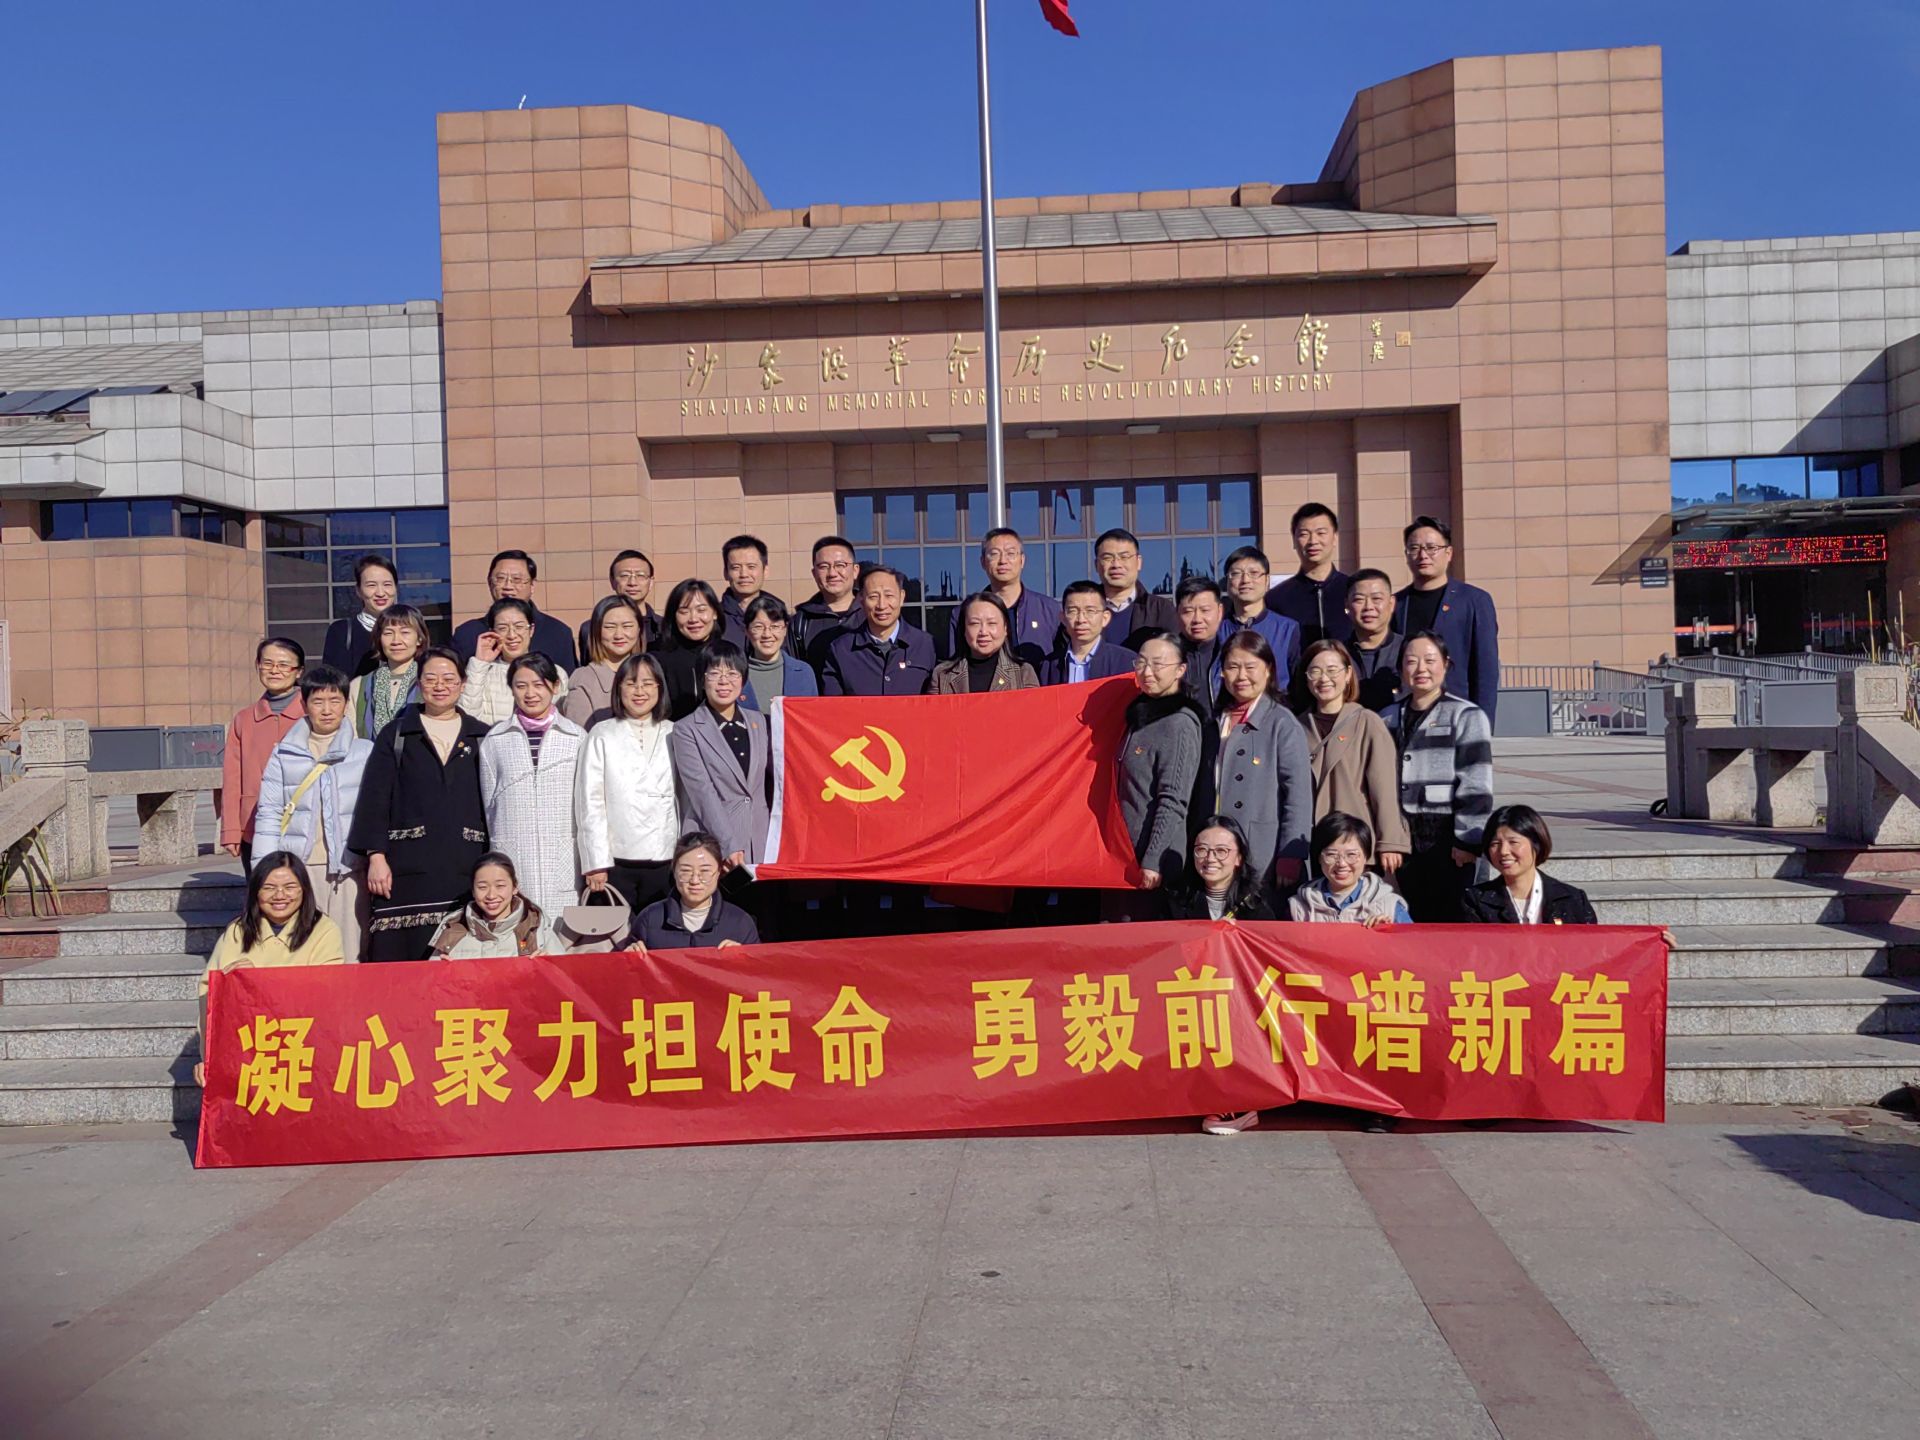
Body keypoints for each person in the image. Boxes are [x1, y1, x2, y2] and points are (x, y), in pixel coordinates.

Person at [347, 645, 491, 962]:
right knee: (402, 959)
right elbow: (375, 797)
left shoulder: (482, 736)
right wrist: (376, 856)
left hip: (466, 861)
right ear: (419, 683)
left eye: (449, 679)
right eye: (431, 678)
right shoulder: (397, 734)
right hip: (405, 866)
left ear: (463, 684)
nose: (440, 686)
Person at [252, 663, 372, 962]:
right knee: (303, 951)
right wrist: (263, 871)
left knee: (351, 951)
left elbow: (377, 812)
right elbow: (269, 814)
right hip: (300, 868)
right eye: (318, 702)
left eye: (335, 701)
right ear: (304, 705)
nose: (327, 710)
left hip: (350, 869)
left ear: (346, 704)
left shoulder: (365, 752)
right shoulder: (284, 754)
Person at [195, 852, 347, 1086]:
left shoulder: (324, 930)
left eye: (290, 887)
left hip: (305, 1049)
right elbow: (209, 996)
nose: (280, 895)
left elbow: (329, 992)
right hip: (250, 1050)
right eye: (269, 888)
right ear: (256, 892)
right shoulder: (237, 931)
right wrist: (209, 1058)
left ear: (304, 890)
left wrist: (259, 982)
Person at [1382, 632, 1495, 922]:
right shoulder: (1386, 717)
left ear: (1445, 664)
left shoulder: (1466, 715)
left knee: (1451, 921)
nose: (1421, 668)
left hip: (1448, 838)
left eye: (1430, 660)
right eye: (1411, 661)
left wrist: (1468, 840)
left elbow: (1476, 782)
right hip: (1402, 838)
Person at [1192, 631, 1312, 885]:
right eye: (1232, 667)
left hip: (1262, 851)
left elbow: (1298, 795)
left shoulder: (1282, 723)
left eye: (1250, 667)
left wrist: (1292, 853)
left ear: (1268, 670)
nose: (1241, 676)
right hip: (1214, 852)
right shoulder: (1214, 722)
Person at [477, 654, 588, 922]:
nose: (530, 693)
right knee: (518, 930)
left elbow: (587, 804)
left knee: (562, 935)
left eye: (538, 684)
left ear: (555, 686)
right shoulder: (496, 739)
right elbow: (490, 805)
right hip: (514, 851)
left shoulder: (576, 737)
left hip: (563, 856)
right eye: (521, 685)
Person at [575, 653, 679, 912]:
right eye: (631, 683)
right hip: (616, 860)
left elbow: (686, 797)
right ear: (618, 688)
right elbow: (590, 799)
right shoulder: (602, 733)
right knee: (617, 932)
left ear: (660, 688)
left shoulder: (675, 732)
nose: (639, 691)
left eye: (647, 683)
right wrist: (595, 861)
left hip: (665, 854)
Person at [1298, 640, 1411, 875]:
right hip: (1312, 845)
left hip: (1354, 844)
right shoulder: (1296, 726)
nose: (1324, 679)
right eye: (1315, 671)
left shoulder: (1366, 721)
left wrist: (1389, 841)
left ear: (1348, 674)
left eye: (1332, 670)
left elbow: (1384, 789)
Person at [669, 642, 772, 873]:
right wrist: (728, 844)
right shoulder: (686, 729)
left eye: (732, 673)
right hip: (714, 845)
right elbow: (702, 792)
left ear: (743, 679)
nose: (724, 681)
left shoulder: (758, 721)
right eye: (714, 673)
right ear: (702, 679)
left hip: (760, 840)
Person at [1118, 633, 1206, 891]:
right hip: (1123, 851)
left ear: (1180, 670)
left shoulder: (1179, 724)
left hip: (1150, 861)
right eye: (1141, 663)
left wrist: (1153, 859)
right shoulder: (1138, 715)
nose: (1147, 672)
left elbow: (1174, 799)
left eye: (1158, 664)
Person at [1393, 516, 1501, 724]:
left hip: (1458, 715)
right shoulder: (1397, 603)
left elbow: (1486, 670)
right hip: (1409, 715)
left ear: (1448, 553)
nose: (1423, 555)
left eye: (1431, 548)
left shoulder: (1474, 600)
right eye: (1414, 548)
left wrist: (1482, 724)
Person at [218, 637, 306, 871]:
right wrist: (231, 830)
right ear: (258, 666)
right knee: (261, 886)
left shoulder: (313, 713)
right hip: (255, 823)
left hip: (304, 823)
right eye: (267, 664)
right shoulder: (244, 719)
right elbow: (232, 779)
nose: (274, 670)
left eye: (284, 665)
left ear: (299, 671)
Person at [1461, 805, 1600, 925]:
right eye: (1495, 844)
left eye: (1513, 842)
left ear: (1536, 844)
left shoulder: (1571, 899)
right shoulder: (1475, 901)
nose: (1503, 851)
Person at [624, 832, 762, 950]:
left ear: (719, 871)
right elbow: (628, 969)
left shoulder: (740, 923)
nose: (695, 880)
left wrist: (744, 958)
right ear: (674, 871)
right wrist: (629, 957)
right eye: (686, 871)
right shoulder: (650, 919)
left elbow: (759, 969)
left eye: (705, 871)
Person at [951, 528, 1062, 667]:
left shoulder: (1049, 610)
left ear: (1022, 560)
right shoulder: (963, 613)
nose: (1003, 561)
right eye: (994, 554)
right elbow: (955, 666)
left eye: (1010, 553)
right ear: (983, 562)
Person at [452, 549, 577, 669]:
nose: (508, 586)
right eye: (500, 579)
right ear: (490, 583)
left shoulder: (558, 632)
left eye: (517, 579)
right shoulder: (467, 633)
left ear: (532, 585)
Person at [821, 565, 936, 697]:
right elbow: (832, 706)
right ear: (861, 599)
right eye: (873, 597)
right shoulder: (841, 650)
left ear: (901, 597)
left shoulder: (925, 645)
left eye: (889, 595)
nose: (882, 605)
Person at [428, 852, 560, 959]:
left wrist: (549, 966)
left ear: (514, 887)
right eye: (482, 887)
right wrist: (443, 972)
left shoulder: (535, 929)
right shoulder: (454, 931)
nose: (491, 895)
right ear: (473, 891)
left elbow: (565, 979)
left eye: (500, 886)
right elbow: (431, 981)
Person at [1289, 811, 1413, 925]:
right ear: (1319, 858)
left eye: (1351, 855)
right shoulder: (1299, 908)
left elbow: (1411, 939)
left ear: (1366, 857)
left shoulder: (1389, 906)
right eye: (1331, 854)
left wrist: (1390, 932)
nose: (1342, 863)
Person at [460, 597, 569, 726]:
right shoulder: (482, 671)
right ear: (492, 632)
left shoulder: (554, 671)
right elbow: (468, 718)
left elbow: (564, 719)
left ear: (531, 630)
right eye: (503, 628)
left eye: (519, 627)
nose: (512, 635)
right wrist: (479, 664)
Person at [1267, 503, 1353, 647]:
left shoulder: (1352, 591)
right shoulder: (1276, 599)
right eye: (1304, 534)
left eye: (1321, 533)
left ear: (1335, 538)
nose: (1313, 541)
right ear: (1294, 540)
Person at [1164, 815, 1279, 922]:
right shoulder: (1175, 901)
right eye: (1202, 849)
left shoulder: (1256, 908)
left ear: (1239, 858)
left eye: (1221, 851)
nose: (1210, 858)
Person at [1220, 546, 1302, 691]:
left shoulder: (1287, 629)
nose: (1245, 580)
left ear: (1267, 581)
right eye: (1236, 573)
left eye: (1254, 573)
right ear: (1227, 582)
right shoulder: (1216, 630)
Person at [561, 595, 645, 729]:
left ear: (639, 629)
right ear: (596, 631)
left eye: (627, 626)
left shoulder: (651, 672)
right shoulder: (584, 678)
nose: (619, 635)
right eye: (610, 627)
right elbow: (579, 734)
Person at [347, 604, 428, 742]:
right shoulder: (359, 685)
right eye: (388, 633)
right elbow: (350, 735)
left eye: (405, 632)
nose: (396, 641)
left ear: (419, 638)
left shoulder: (430, 681)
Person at [932, 592, 1041, 694]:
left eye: (991, 623)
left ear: (1006, 629)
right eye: (975, 623)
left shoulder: (1023, 673)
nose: (983, 632)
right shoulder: (942, 675)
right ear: (964, 629)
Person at [655, 578, 726, 720]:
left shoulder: (728, 654)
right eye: (684, 611)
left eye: (701, 610)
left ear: (715, 613)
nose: (693, 619)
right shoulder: (659, 660)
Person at [1041, 581, 1136, 685]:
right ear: (1063, 618)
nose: (1081, 620)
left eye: (1090, 611)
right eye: (1073, 611)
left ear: (1105, 618)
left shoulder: (1125, 662)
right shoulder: (1048, 665)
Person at [1094, 526, 1177, 647]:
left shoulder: (1161, 609)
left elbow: (1175, 652)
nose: (1116, 564)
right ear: (1096, 565)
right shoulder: (1082, 610)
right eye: (1107, 558)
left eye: (1124, 557)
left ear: (1138, 562)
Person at [790, 535, 863, 668]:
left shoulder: (872, 613)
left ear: (855, 570)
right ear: (814, 573)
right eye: (823, 566)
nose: (832, 573)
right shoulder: (800, 622)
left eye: (840, 565)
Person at [321, 554, 399, 678]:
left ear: (396, 588)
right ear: (358, 590)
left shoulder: (411, 628)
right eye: (371, 585)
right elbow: (331, 680)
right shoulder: (341, 631)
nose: (380, 593)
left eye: (387, 584)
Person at [576, 549, 661, 658]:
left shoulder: (665, 628)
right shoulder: (590, 628)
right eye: (624, 575)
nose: (632, 583)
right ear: (612, 581)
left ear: (651, 582)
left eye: (640, 575)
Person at [740, 594, 819, 710]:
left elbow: (811, 715)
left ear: (785, 629)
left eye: (775, 626)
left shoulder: (803, 672)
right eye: (758, 627)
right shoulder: (735, 673)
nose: (767, 634)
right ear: (747, 631)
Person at [1345, 568, 1404, 713]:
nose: (1368, 607)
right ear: (1347, 605)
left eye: (1376, 599)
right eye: (1359, 600)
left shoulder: (1408, 651)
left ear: (1391, 604)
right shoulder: (1338, 654)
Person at [1174, 576, 1229, 706]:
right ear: (1177, 613)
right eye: (1188, 611)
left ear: (1220, 611)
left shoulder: (1231, 652)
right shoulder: (1167, 657)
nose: (1197, 619)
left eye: (1205, 610)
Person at [718, 534, 779, 649]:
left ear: (765, 571)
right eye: (736, 568)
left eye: (751, 567)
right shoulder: (715, 619)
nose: (744, 574)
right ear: (725, 573)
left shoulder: (779, 616)